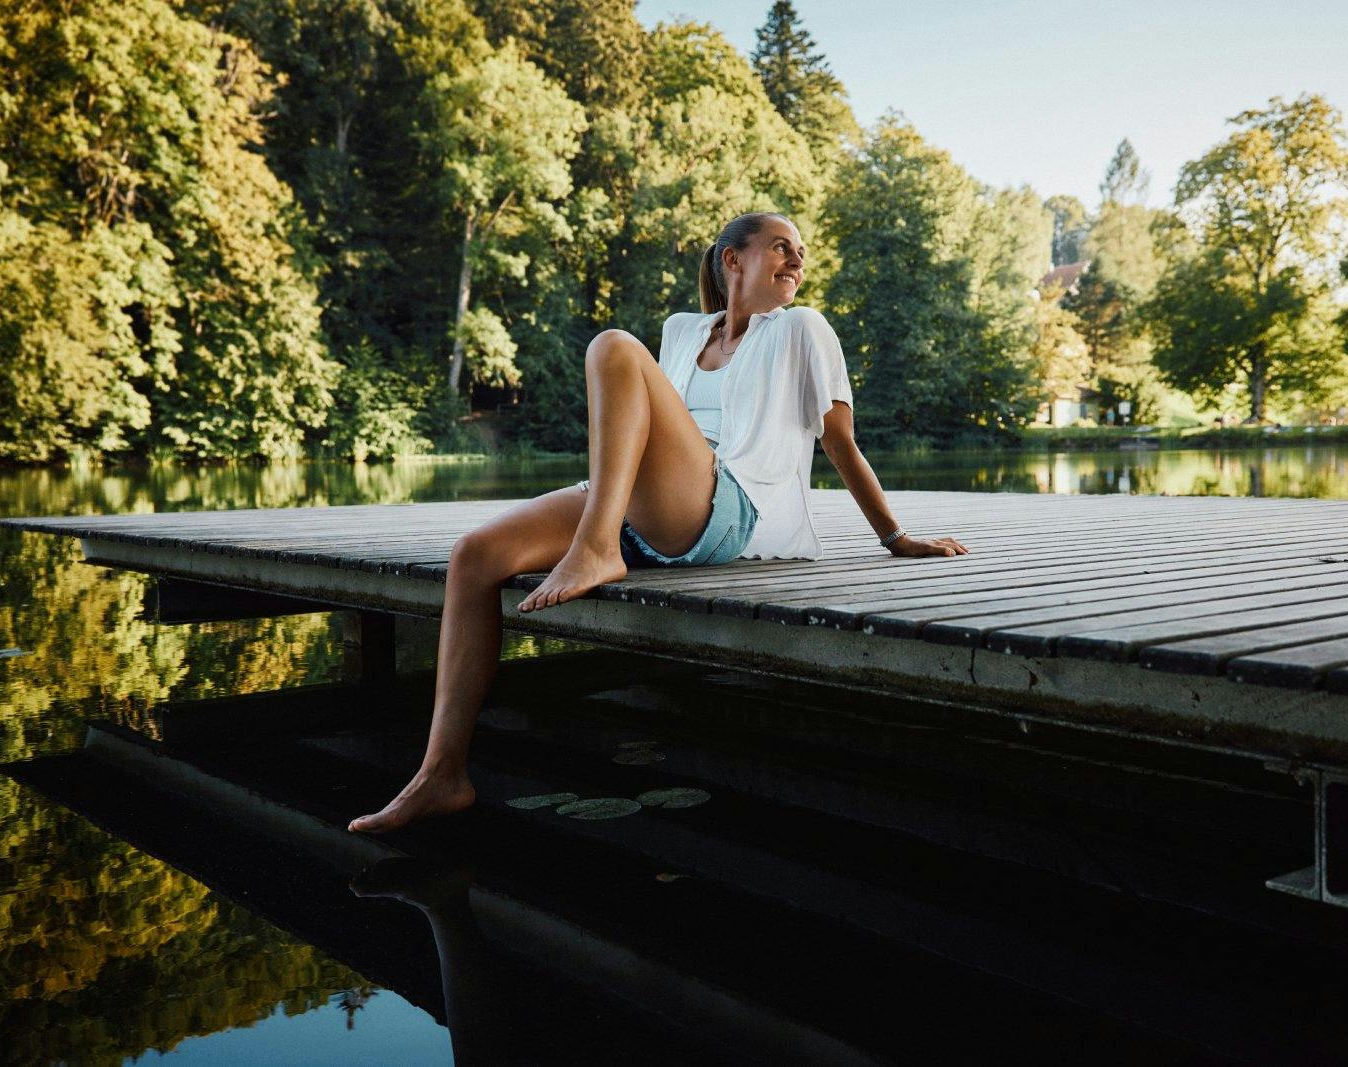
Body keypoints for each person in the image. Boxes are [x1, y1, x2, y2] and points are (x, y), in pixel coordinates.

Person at [348, 211, 969, 833]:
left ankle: (596, 545)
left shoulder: (803, 329)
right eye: (782, 248)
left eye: (802, 253)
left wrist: (896, 538)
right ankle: (441, 775)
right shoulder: (682, 332)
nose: (797, 262)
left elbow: (840, 443)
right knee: (474, 556)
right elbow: (636, 437)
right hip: (646, 506)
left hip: (733, 508)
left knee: (613, 345)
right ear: (733, 259)